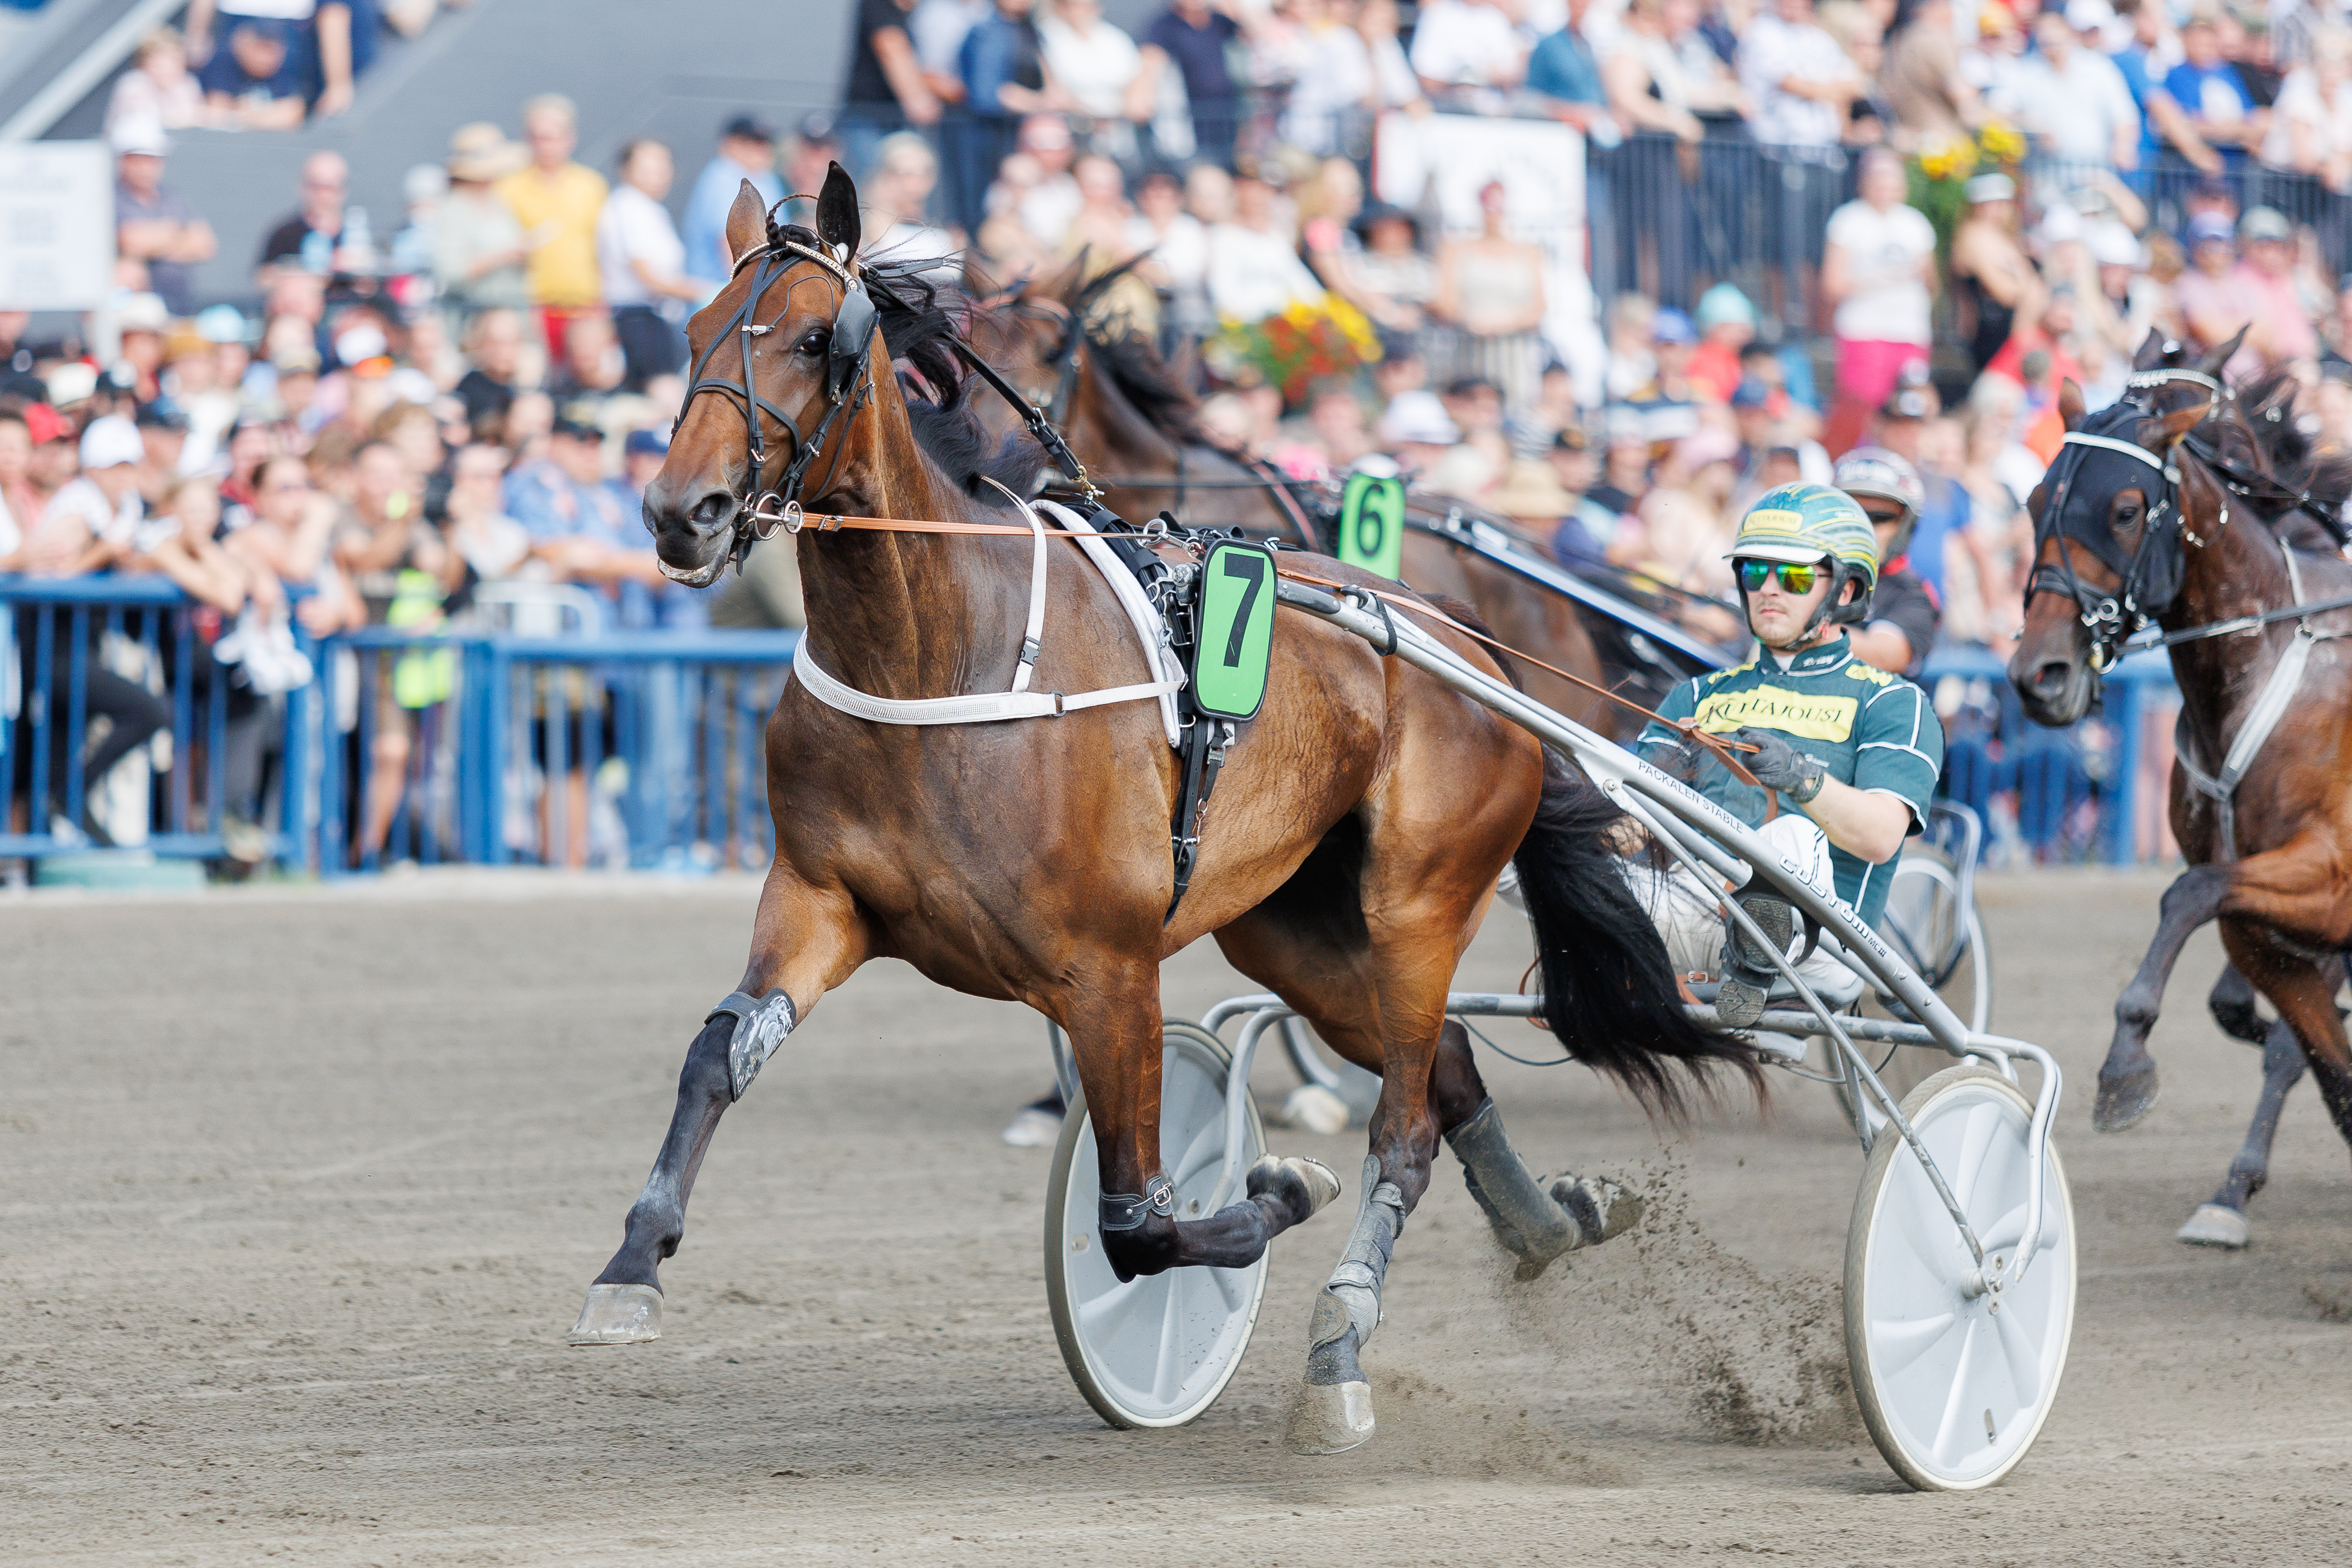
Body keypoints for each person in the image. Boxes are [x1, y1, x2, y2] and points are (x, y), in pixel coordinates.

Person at [1631, 483, 1943, 1027]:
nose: (1769, 589)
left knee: (1786, 839)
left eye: (1795, 576)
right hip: (1689, 915)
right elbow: (1633, 829)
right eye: (1755, 573)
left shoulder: (1891, 700)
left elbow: (1880, 837)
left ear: (1845, 591)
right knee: (1528, 837)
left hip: (1821, 947)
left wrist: (1804, 780)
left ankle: (1756, 964)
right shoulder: (1699, 696)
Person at [1820, 147, 1936, 454]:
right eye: (1879, 180)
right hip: (1864, 328)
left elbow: (1931, 282)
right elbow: (1832, 284)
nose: (1886, 189)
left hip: (1909, 330)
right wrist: (1886, 276)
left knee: (1910, 408)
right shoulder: (1848, 221)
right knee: (1861, 407)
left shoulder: (1916, 224)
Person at [497, 95, 609, 370]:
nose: (545, 145)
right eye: (538, 137)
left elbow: (604, 248)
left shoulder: (591, 186)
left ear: (570, 138)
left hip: (584, 306)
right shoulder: (508, 189)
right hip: (534, 307)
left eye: (553, 137)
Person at [598, 139, 703, 390]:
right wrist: (710, 291)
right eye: (648, 166)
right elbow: (648, 275)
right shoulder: (628, 207)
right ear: (627, 169)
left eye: (663, 165)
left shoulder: (650, 209)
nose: (659, 173)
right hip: (638, 320)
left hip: (657, 318)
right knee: (661, 392)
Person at [1432, 180, 1547, 411]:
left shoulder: (1529, 251)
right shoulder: (1456, 248)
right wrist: (1473, 321)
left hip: (1513, 353)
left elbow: (1539, 307)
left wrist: (1502, 324)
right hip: (1470, 348)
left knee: (1514, 413)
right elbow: (1442, 301)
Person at [1833, 446, 1939, 676]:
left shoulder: (1911, 593)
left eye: (1880, 518)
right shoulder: (1801, 568)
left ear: (1903, 525)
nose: (1864, 527)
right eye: (1851, 512)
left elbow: (1885, 656)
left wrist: (1797, 625)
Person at [2016, 7, 2141, 170]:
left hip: (2094, 175)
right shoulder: (2026, 72)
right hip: (2045, 178)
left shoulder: (2099, 68)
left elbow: (2125, 117)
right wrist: (2035, 129)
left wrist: (2123, 147)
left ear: (2068, 33)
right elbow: (2000, 111)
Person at [111, 122, 216, 319]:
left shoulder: (172, 198)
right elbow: (131, 241)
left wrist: (154, 243)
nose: (146, 168)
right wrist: (177, 233)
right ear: (123, 160)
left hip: (180, 307)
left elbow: (205, 245)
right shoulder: (111, 198)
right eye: (138, 160)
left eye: (152, 160)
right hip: (134, 312)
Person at [433, 123, 533, 321]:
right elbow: (451, 272)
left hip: (510, 312)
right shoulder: (453, 210)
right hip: (473, 317)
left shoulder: (498, 202)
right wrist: (502, 257)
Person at [841, 0, 944, 186]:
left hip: (888, 118)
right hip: (869, 118)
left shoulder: (910, 15)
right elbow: (891, 46)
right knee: (870, 186)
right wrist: (918, 99)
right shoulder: (879, 6)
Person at [1135, 0, 1248, 168]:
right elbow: (1150, 62)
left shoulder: (1221, 22)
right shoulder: (1164, 26)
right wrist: (1143, 95)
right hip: (1188, 127)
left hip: (1227, 122)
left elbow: (1261, 35)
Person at [682, 116, 783, 287]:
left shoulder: (767, 179)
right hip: (718, 292)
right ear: (729, 144)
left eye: (763, 142)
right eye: (749, 142)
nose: (759, 149)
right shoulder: (723, 175)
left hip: (756, 280)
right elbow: (731, 248)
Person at [256, 149, 350, 286]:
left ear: (342, 191)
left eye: (329, 188)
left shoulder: (354, 235)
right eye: (315, 187)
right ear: (303, 187)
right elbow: (263, 278)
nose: (322, 195)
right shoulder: (285, 233)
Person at [198, 16, 308, 131]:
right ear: (242, 44)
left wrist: (248, 116)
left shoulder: (283, 66)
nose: (265, 58)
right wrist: (269, 114)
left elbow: (294, 112)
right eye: (261, 48)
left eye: (272, 50)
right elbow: (218, 111)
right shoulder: (223, 61)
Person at [108, 29, 211, 134]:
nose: (168, 67)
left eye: (174, 60)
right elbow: (144, 124)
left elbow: (199, 120)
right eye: (160, 61)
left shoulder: (187, 84)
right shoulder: (132, 84)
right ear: (144, 63)